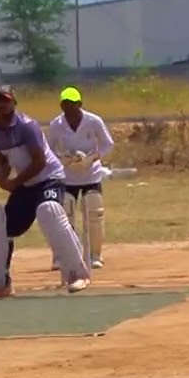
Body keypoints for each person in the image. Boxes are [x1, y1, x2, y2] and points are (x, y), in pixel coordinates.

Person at [0, 85, 91, 298]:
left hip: (49, 179)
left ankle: (77, 274)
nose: (3, 105)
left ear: (14, 103)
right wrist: (2, 176)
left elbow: (39, 162)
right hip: (27, 184)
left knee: (49, 210)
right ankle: (1, 283)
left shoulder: (27, 127)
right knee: (1, 222)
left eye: (7, 100)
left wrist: (14, 182)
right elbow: (4, 161)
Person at [48, 86, 116, 270]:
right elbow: (48, 149)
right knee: (65, 216)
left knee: (94, 213)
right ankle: (63, 256)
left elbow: (107, 144)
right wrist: (63, 159)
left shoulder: (93, 121)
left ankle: (95, 255)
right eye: (65, 104)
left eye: (72, 104)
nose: (68, 108)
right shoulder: (56, 124)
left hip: (90, 174)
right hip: (67, 177)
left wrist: (91, 158)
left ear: (80, 104)